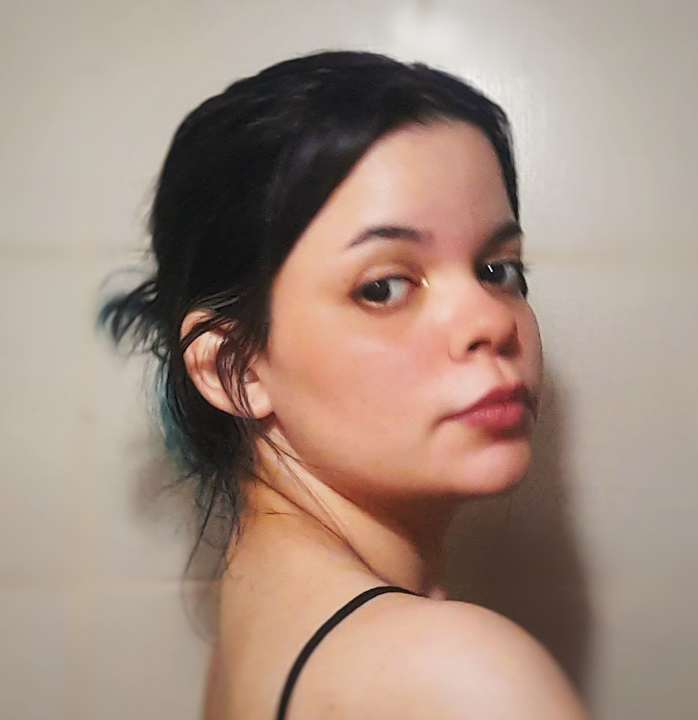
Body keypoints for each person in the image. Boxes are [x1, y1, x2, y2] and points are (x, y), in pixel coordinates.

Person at [100, 50, 589, 720]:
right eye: (383, 287)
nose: (490, 321)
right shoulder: (459, 680)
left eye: (497, 269)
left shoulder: (260, 631)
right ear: (235, 368)